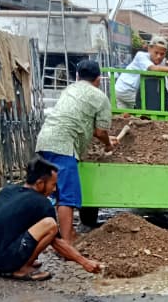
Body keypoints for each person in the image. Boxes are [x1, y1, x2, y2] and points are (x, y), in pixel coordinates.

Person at [0, 156, 102, 281]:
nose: (54, 189)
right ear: (40, 183)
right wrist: (85, 262)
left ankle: (20, 259)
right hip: (3, 260)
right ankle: (22, 268)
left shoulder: (8, 190)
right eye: (53, 185)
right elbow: (57, 243)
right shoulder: (42, 203)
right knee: (50, 225)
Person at [35, 59, 113, 245]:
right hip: (64, 146)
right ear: (98, 79)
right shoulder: (100, 97)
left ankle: (38, 236)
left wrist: (104, 138)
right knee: (67, 197)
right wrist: (109, 144)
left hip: (44, 140)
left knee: (45, 192)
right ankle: (67, 241)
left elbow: (86, 126)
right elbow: (101, 131)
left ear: (77, 76)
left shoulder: (69, 90)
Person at [114, 36, 168, 109]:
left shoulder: (161, 62)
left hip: (134, 91)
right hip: (125, 90)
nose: (159, 56)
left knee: (129, 117)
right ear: (149, 49)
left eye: (162, 54)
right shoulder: (141, 56)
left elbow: (164, 78)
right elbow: (153, 68)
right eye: (156, 53)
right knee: (149, 106)